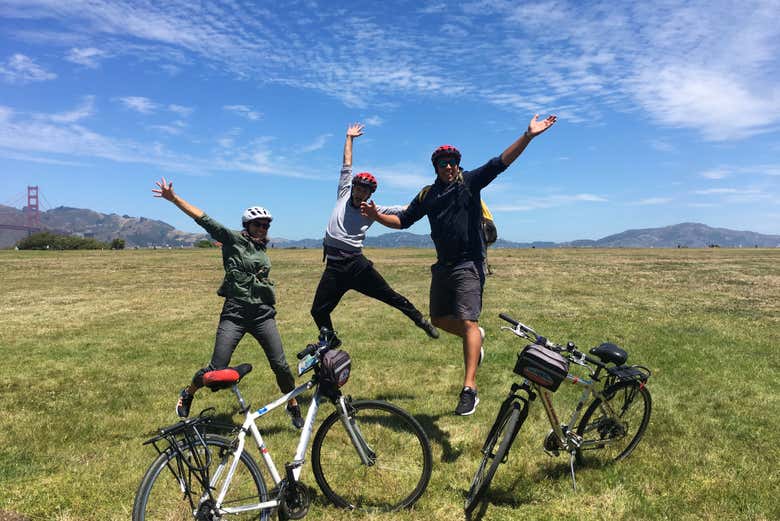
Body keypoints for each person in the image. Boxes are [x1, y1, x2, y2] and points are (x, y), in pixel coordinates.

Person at [361, 114, 557, 415]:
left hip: (469, 264)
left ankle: (469, 388)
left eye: (453, 161)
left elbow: (500, 163)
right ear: (436, 168)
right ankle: (474, 339)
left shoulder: (470, 182)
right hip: (443, 266)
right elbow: (402, 221)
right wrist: (376, 216)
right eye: (443, 163)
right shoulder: (428, 194)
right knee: (438, 319)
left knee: (468, 321)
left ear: (458, 164)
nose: (449, 166)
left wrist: (527, 136)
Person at [152, 178, 303, 428]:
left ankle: (292, 403)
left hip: (263, 314)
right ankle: (188, 393)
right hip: (235, 313)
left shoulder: (262, 248)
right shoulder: (232, 240)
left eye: (266, 224)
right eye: (258, 224)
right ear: (247, 225)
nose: (263, 227)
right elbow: (204, 219)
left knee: (280, 364)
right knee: (216, 369)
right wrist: (174, 199)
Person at [310, 122, 439, 346]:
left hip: (357, 266)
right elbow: (346, 163)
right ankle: (332, 341)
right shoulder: (342, 193)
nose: (360, 192)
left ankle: (420, 320)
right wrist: (349, 138)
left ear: (370, 194)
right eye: (358, 188)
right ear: (352, 187)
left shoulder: (372, 210)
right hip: (334, 268)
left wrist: (430, 201)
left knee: (390, 296)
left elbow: (404, 209)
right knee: (318, 311)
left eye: (365, 190)